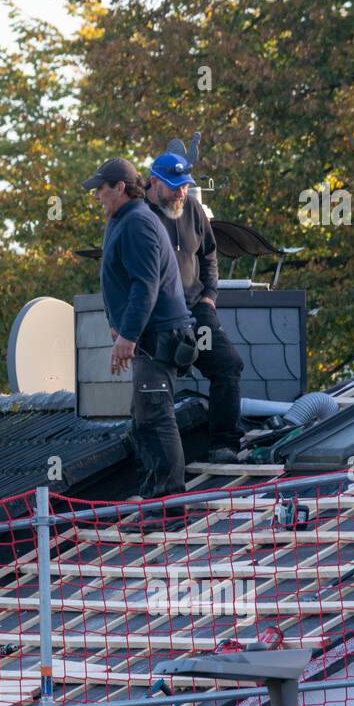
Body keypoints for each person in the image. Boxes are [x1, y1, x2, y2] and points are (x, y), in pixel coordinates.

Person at [81, 157, 197, 514]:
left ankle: (169, 504)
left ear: (120, 187)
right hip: (150, 335)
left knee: (156, 416)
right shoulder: (124, 220)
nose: (97, 196)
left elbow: (144, 286)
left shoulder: (137, 223)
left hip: (158, 336)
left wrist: (127, 336)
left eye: (101, 189)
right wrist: (119, 325)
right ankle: (155, 495)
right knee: (144, 416)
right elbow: (124, 282)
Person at [145, 144, 246, 463]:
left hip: (196, 310)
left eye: (185, 186)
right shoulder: (138, 217)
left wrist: (209, 297)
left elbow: (209, 254)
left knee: (228, 364)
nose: (181, 193)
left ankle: (224, 445)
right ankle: (157, 464)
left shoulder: (193, 208)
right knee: (158, 387)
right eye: (174, 188)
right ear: (154, 183)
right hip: (157, 317)